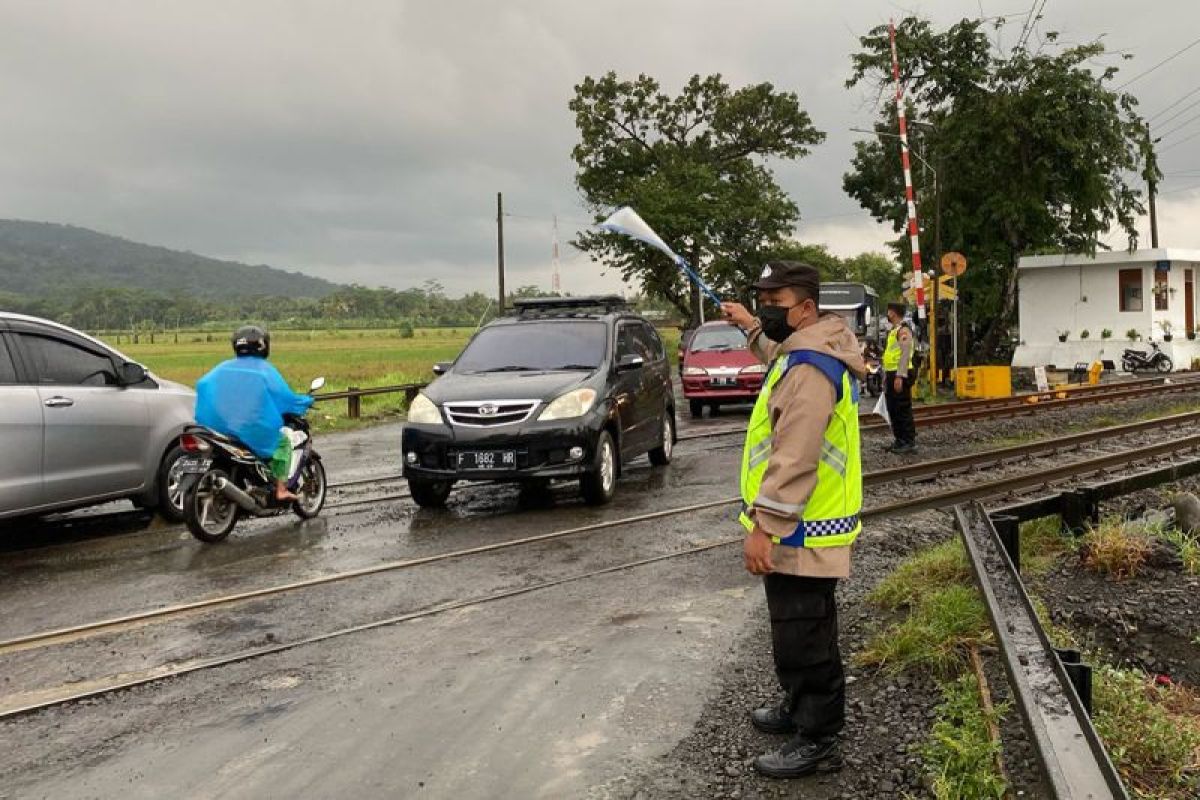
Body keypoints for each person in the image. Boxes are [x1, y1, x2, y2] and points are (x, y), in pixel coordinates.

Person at [720, 261, 866, 780]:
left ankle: (819, 737)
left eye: (773, 303)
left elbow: (795, 456)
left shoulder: (809, 369)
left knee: (804, 636)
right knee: (795, 629)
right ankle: (796, 706)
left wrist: (765, 527)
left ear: (805, 308)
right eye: (760, 301)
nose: (766, 310)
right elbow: (774, 349)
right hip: (802, 526)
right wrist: (748, 326)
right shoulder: (805, 349)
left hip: (802, 529)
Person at [195, 325, 314, 502]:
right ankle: (281, 489)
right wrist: (305, 401)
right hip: (250, 428)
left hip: (219, 426)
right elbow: (284, 397)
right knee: (283, 443)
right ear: (263, 346)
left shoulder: (223, 367)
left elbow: (203, 384)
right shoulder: (264, 369)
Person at [882, 302, 917, 453]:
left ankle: (908, 441)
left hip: (900, 373)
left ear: (893, 313)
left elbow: (905, 353)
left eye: (889, 311)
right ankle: (899, 440)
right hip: (892, 373)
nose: (887, 313)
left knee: (902, 408)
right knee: (893, 409)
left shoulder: (903, 330)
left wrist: (900, 376)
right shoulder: (893, 331)